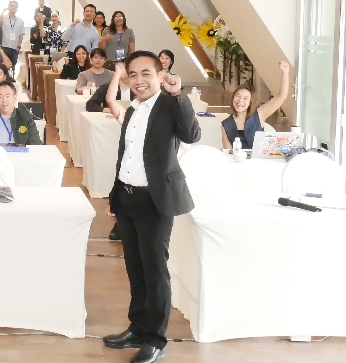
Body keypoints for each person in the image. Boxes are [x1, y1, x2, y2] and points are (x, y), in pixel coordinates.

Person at [102, 53, 200, 363]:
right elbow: (126, 158)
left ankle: (155, 339)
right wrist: (115, 196)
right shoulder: (132, 109)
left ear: (160, 74)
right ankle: (138, 328)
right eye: (133, 74)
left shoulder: (170, 104)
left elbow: (192, 135)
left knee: (155, 271)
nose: (139, 80)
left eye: (146, 73)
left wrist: (179, 95)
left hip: (155, 201)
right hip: (128, 198)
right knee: (135, 268)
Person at [221, 61, 290, 150]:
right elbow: (228, 151)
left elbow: (281, 97)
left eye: (245, 98)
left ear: (250, 102)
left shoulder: (259, 114)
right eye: (237, 96)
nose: (240, 101)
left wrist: (285, 73)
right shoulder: (226, 124)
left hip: (259, 158)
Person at [0, 0, 25, 72]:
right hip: (4, 46)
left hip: (15, 47)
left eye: (15, 6)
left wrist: (19, 46)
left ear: (17, 9)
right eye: (12, 6)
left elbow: (21, 34)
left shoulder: (20, 21)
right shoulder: (4, 18)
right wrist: (2, 12)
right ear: (8, 7)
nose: (13, 8)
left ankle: (12, 78)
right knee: (3, 66)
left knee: (12, 67)